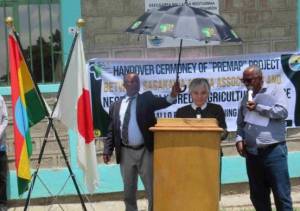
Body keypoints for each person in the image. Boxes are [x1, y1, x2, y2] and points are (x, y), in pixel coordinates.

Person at [103, 73, 180, 211]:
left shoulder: (146, 99)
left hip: (145, 152)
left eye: (136, 81)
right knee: (128, 192)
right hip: (125, 153)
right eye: (130, 82)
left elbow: (163, 102)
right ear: (124, 85)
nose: (134, 84)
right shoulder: (115, 106)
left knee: (153, 190)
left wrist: (173, 95)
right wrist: (107, 150)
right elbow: (111, 131)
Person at [235, 65, 293, 211]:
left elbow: (282, 112)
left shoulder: (275, 90)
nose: (246, 84)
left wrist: (258, 108)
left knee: (281, 195)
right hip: (252, 154)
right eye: (244, 81)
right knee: (258, 197)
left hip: (273, 151)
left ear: (260, 78)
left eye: (249, 80)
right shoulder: (245, 97)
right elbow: (240, 124)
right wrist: (238, 139)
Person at [0, 95, 8, 211]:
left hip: (0, 146)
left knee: (1, 176)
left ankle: (2, 203)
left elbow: (5, 118)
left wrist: (0, 131)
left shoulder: (0, 98)